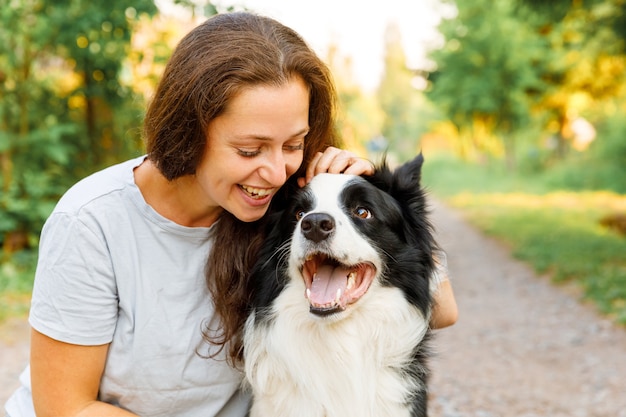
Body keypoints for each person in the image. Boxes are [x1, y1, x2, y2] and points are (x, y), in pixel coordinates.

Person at [4, 11, 457, 417]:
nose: (277, 169)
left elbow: (443, 310)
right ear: (189, 131)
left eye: (293, 144)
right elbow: (66, 407)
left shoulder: (286, 204)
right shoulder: (91, 222)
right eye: (249, 149)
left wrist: (368, 199)